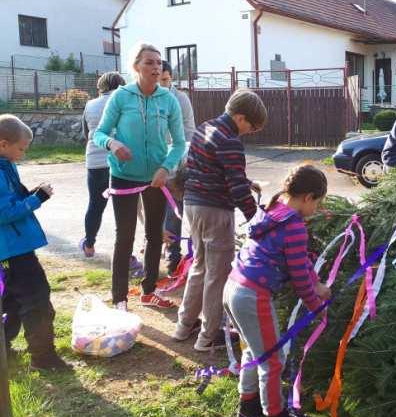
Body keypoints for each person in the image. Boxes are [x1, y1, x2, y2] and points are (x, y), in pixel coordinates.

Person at [223, 164, 331, 417]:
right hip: (252, 296)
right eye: (318, 203)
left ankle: (248, 406)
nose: (317, 209)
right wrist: (315, 305)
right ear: (307, 197)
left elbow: (301, 260)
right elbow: (298, 277)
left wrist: (317, 282)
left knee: (254, 352)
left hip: (234, 285)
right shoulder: (294, 226)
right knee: (273, 360)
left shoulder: (275, 210)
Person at [93, 43, 186, 311]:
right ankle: (120, 299)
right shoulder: (121, 97)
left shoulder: (168, 99)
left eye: (159, 63)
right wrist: (113, 144)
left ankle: (149, 291)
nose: (156, 67)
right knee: (125, 236)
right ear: (136, 67)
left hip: (156, 178)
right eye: (149, 62)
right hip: (123, 177)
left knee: (155, 235)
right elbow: (99, 133)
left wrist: (166, 168)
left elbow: (179, 143)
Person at [173, 89, 267, 351]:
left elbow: (210, 167)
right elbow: (235, 189)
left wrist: (248, 182)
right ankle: (208, 336)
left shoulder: (205, 128)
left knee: (199, 266)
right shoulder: (231, 140)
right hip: (216, 211)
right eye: (250, 126)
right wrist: (257, 219)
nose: (249, 131)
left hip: (193, 205)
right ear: (239, 117)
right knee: (218, 274)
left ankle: (184, 325)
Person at [0, 115, 69, 370]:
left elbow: (11, 200)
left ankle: (4, 352)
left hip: (13, 247)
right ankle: (44, 358)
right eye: (21, 149)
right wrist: (35, 200)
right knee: (36, 299)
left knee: (13, 301)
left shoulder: (5, 164)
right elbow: (4, 212)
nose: (23, 154)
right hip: (13, 249)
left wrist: (30, 195)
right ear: (3, 143)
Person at [79, 73, 143, 274]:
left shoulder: (90, 105)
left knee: (95, 205)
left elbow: (86, 133)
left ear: (101, 86)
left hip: (95, 162)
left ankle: (89, 244)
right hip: (121, 163)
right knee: (124, 213)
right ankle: (128, 257)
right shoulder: (127, 102)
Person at [159, 60, 196, 274]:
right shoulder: (149, 98)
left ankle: (181, 258)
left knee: (179, 211)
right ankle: (166, 253)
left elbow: (188, 133)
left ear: (171, 78)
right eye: (158, 80)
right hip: (156, 164)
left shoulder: (180, 98)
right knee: (162, 213)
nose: (162, 84)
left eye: (165, 79)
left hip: (179, 163)